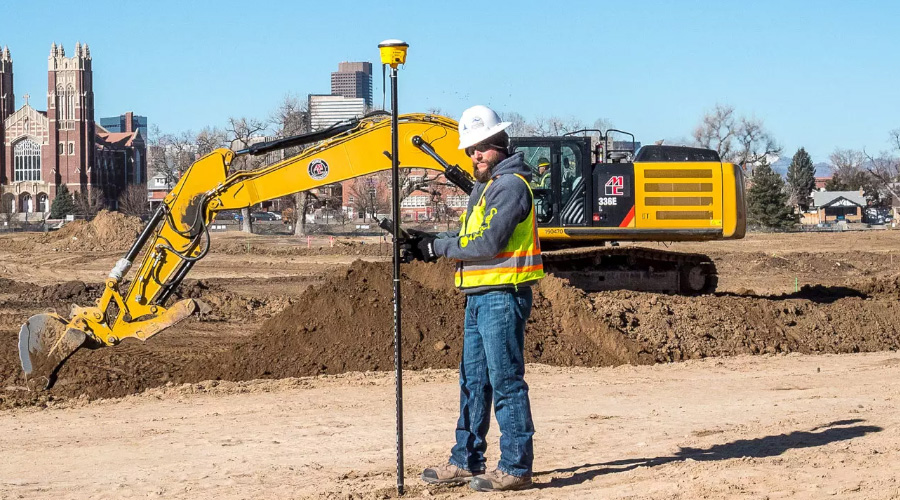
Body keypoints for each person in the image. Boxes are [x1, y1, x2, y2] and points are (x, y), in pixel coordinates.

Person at [405, 104, 544, 492]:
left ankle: (516, 466)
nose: (474, 156)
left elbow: (488, 242)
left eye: (480, 147)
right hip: (480, 297)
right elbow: (469, 237)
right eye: (470, 150)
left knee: (505, 383)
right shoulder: (487, 189)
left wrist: (436, 249)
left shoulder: (512, 186)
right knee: (473, 382)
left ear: (499, 143)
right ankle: (466, 459)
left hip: (503, 296)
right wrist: (426, 241)